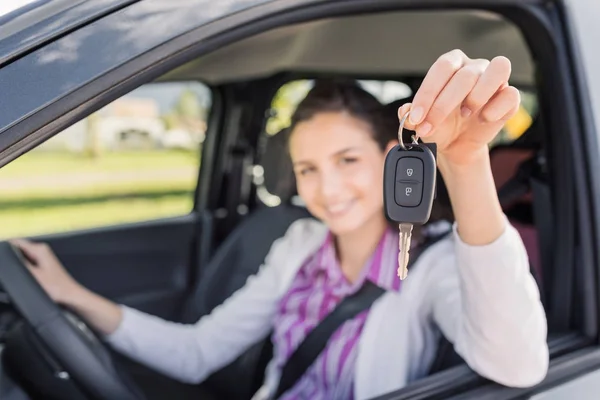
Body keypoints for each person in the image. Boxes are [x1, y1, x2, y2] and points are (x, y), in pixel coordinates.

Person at [12, 49, 548, 400]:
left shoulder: (431, 267)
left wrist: (464, 162)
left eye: (347, 161)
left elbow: (517, 365)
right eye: (308, 170)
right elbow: (198, 353)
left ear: (391, 157)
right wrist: (70, 295)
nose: (327, 190)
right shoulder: (298, 243)